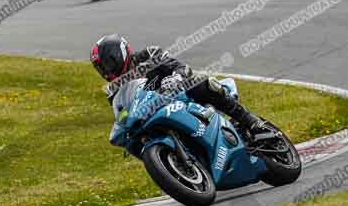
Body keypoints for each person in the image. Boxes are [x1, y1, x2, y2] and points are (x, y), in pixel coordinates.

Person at [90, 34, 268, 142]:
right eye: (101, 68)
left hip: (180, 93)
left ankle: (251, 121)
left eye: (108, 63)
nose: (106, 71)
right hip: (155, 114)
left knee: (200, 83)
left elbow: (180, 66)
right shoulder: (113, 91)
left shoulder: (148, 55)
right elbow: (123, 114)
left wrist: (176, 77)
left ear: (120, 54)